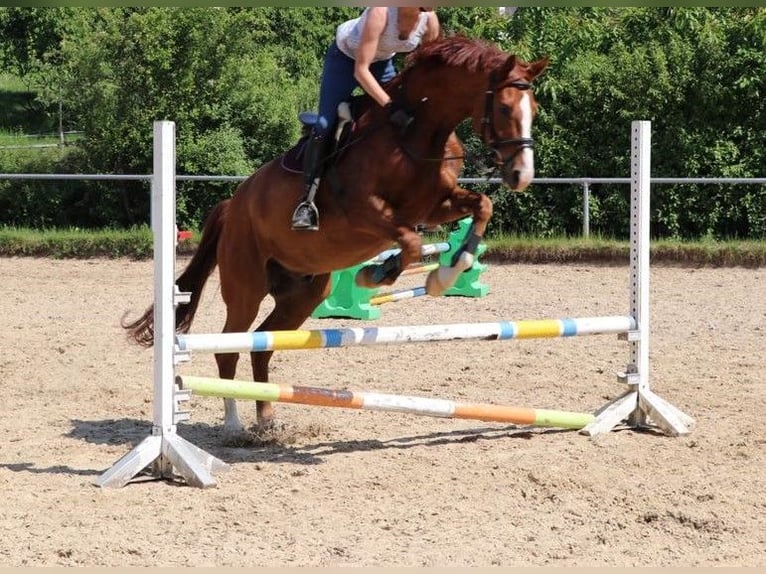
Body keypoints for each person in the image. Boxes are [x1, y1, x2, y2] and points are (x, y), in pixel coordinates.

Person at [291, 6, 440, 231]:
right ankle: (307, 202)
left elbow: (427, 67)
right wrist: (390, 106)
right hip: (345, 60)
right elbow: (361, 71)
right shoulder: (380, 13)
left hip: (381, 65)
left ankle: (418, 201)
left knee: (410, 122)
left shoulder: (430, 22)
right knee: (324, 125)